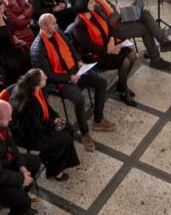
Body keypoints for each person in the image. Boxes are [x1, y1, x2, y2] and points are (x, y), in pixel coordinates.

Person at [30, 12, 112, 148]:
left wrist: (79, 61)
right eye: (53, 24)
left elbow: (71, 47)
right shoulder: (37, 49)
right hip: (60, 81)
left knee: (101, 82)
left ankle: (98, 120)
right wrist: (69, 78)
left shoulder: (58, 32)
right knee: (79, 99)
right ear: (43, 27)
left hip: (74, 69)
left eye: (56, 22)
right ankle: (85, 133)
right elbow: (48, 76)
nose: (56, 25)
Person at [78, 0, 171, 68]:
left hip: (120, 16)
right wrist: (117, 12)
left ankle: (164, 43)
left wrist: (120, 11)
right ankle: (155, 59)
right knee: (143, 28)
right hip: (115, 28)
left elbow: (112, 10)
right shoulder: (94, 5)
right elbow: (107, 24)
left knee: (145, 13)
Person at [0, 69, 79, 181]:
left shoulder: (37, 90)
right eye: (43, 77)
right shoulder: (27, 102)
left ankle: (49, 158)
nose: (46, 77)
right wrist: (53, 125)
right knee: (64, 139)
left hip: (42, 124)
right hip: (30, 135)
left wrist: (55, 117)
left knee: (69, 128)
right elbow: (35, 127)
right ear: (37, 83)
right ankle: (55, 171)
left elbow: (47, 108)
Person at [69, 0, 138, 105]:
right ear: (84, 6)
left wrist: (111, 40)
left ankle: (121, 85)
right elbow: (89, 47)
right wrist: (108, 50)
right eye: (90, 2)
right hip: (95, 56)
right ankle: (123, 91)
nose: (93, 3)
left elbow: (110, 26)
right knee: (125, 62)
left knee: (132, 54)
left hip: (108, 45)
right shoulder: (79, 25)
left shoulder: (96, 10)